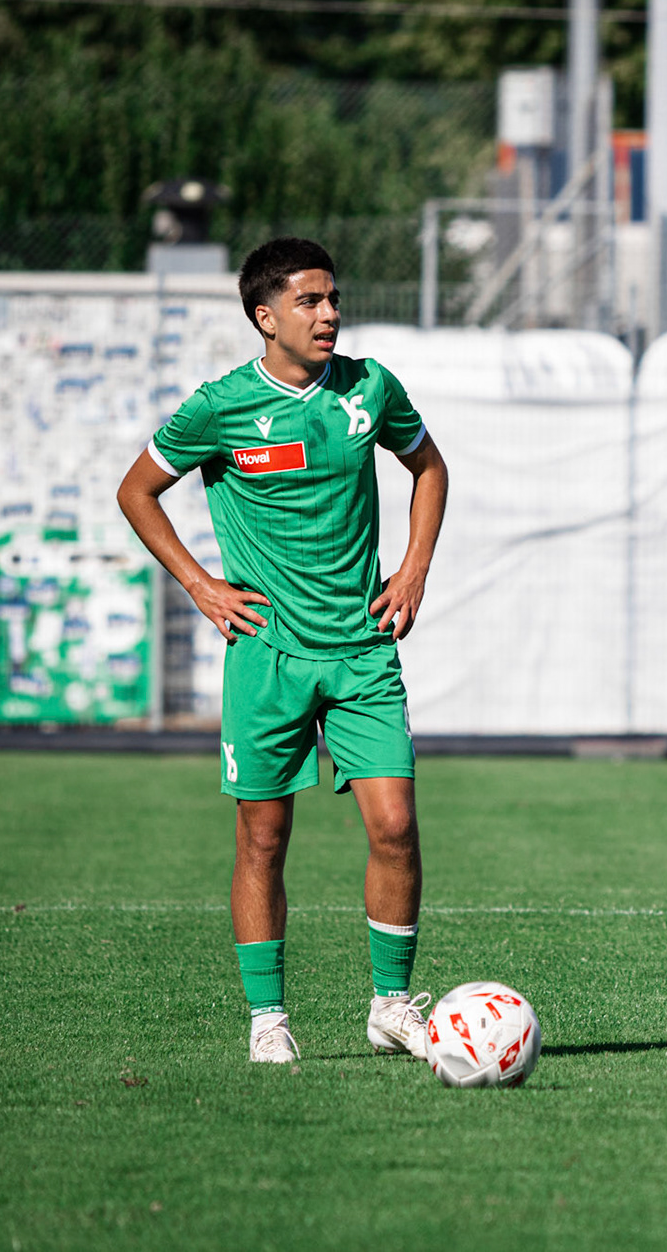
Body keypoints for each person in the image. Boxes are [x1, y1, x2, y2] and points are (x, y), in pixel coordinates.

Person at [117, 237, 449, 1063]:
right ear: (266, 317)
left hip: (364, 650)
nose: (330, 313)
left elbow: (429, 467)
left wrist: (411, 569)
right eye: (310, 302)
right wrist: (200, 585)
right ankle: (268, 1018)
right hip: (265, 657)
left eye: (333, 298)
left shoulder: (371, 389)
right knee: (263, 838)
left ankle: (391, 1005)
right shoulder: (219, 408)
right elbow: (137, 490)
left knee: (397, 826)